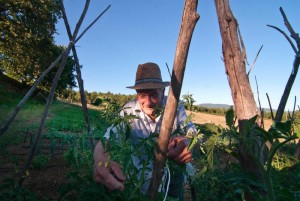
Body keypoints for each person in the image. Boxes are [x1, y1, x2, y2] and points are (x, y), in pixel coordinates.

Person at [93, 62, 197, 200]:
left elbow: (193, 135)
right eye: (142, 95)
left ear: (163, 92)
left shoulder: (176, 107)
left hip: (172, 178)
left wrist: (188, 143)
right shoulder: (128, 110)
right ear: (137, 94)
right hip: (141, 180)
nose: (148, 102)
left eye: (153, 94)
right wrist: (100, 161)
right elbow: (107, 140)